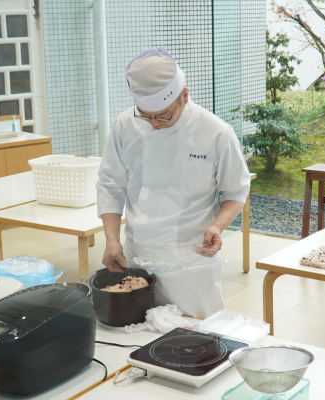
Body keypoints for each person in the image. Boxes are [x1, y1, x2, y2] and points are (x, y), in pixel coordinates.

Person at [96, 47, 250, 318]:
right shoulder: (124, 125)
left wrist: (218, 225)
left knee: (194, 333)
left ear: (184, 96)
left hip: (191, 260)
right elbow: (111, 185)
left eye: (163, 115)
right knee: (139, 331)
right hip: (137, 254)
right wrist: (111, 239)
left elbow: (236, 189)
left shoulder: (216, 132)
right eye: (146, 115)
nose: (154, 124)